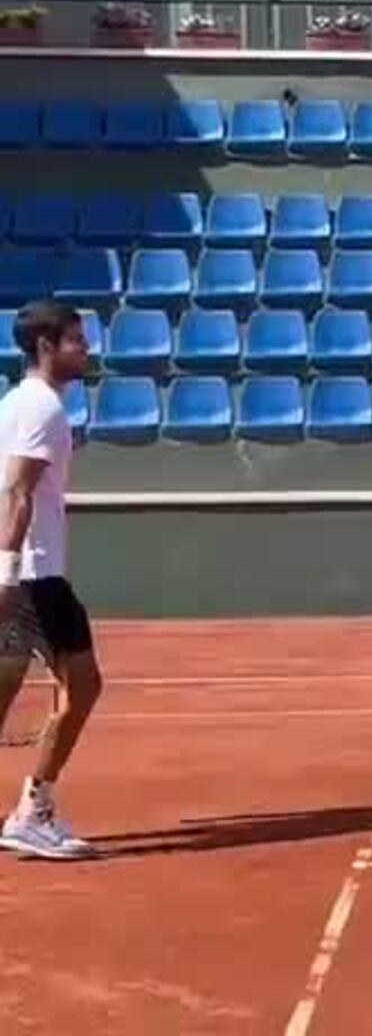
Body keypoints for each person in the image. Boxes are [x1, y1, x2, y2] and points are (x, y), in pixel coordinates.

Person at [0, 301, 100, 860]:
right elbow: (17, 491)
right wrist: (8, 572)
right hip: (36, 575)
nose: (85, 350)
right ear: (45, 346)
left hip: (29, 572)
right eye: (75, 341)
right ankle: (33, 812)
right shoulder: (42, 408)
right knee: (82, 686)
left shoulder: (18, 401)